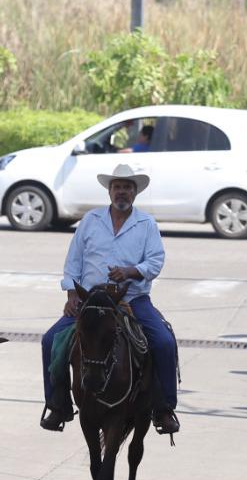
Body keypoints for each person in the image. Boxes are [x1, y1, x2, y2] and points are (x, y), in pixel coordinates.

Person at [40, 163, 180, 435]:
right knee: (50, 341)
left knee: (163, 342)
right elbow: (74, 262)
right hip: (91, 301)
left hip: (132, 299)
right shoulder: (90, 221)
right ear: (110, 191)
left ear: (135, 193)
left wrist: (130, 271)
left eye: (127, 187)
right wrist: (71, 293)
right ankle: (58, 404)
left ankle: (164, 409)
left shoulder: (146, 224)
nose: (122, 192)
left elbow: (156, 260)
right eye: (117, 187)